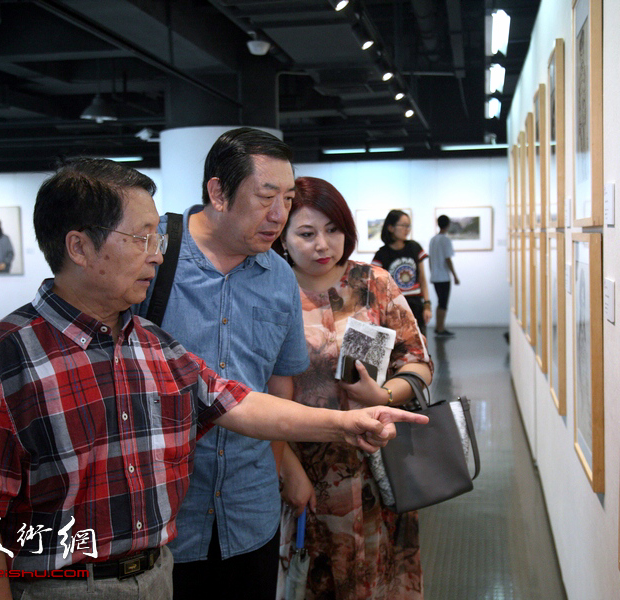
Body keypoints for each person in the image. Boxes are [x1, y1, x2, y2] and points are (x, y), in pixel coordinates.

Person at [0, 158, 426, 600]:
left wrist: (348, 423)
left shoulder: (152, 343)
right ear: (79, 247)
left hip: (158, 575)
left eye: (159, 238)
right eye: (142, 238)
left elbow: (242, 404)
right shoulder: (5, 360)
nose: (157, 254)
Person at [136, 127, 309, 600]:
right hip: (162, 514)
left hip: (250, 508)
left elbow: (280, 383)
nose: (279, 215)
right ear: (217, 192)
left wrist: (280, 466)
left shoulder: (279, 279)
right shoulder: (153, 256)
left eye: (288, 198)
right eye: (265, 196)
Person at [273, 176, 434, 600]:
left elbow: (418, 363)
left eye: (333, 230)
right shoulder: (270, 290)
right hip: (297, 464)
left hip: (376, 465)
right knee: (306, 576)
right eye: (307, 233)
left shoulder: (374, 283)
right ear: (283, 238)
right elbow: (250, 391)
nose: (323, 245)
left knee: (375, 576)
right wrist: (288, 467)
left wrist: (381, 396)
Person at [372, 210, 431, 335]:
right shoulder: (381, 255)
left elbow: (422, 279)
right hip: (394, 308)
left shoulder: (414, 247)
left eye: (408, 226)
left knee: (419, 345)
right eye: (403, 225)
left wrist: (427, 305)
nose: (407, 229)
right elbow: (376, 286)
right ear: (391, 227)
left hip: (415, 305)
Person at [428, 214, 460, 336]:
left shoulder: (433, 239)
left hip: (436, 276)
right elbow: (448, 259)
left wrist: (432, 273)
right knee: (443, 303)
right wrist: (455, 275)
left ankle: (438, 326)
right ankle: (440, 328)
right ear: (447, 225)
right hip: (443, 277)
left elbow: (430, 259)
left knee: (440, 302)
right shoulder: (445, 240)